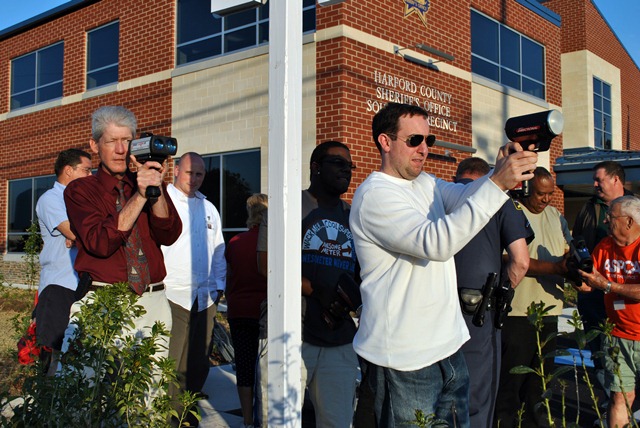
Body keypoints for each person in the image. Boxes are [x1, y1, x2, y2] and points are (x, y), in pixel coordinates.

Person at [349, 102, 538, 427]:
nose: (424, 149)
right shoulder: (375, 196)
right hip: (406, 358)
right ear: (385, 141)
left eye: (429, 141)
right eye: (414, 141)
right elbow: (435, 243)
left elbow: (467, 197)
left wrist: (499, 171)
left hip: (448, 346)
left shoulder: (423, 183)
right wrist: (498, 183)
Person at [63, 105, 182, 392]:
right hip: (103, 299)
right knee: (87, 393)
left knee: (148, 394)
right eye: (111, 141)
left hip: (153, 299)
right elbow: (100, 242)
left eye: (127, 140)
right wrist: (140, 196)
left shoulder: (146, 183)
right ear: (94, 145)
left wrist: (156, 187)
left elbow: (169, 233)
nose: (120, 149)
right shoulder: (81, 191)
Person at [258, 140, 361, 427]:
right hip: (289, 335)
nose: (347, 170)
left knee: (338, 422)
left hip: (339, 339)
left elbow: (364, 273)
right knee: (277, 421)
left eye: (350, 165)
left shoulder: (355, 216)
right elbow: (266, 264)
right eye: (338, 163)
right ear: (315, 167)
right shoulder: (286, 207)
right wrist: (314, 290)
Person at [453, 157, 533, 428]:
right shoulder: (500, 199)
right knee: (476, 398)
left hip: (435, 308)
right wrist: (503, 293)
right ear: (486, 175)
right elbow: (521, 261)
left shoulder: (438, 196)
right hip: (479, 311)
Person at [493, 167, 572, 428]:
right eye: (540, 194)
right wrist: (555, 268)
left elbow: (566, 253)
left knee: (540, 383)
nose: (546, 199)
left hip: (548, 312)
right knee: (511, 383)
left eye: (550, 194)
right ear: (526, 189)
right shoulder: (511, 211)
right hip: (517, 312)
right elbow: (507, 258)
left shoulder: (555, 216)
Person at [161, 152, 226, 422]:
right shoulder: (162, 201)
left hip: (205, 297)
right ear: (176, 170)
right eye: (189, 173)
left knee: (199, 362)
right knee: (171, 363)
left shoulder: (208, 208)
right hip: (173, 295)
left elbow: (218, 249)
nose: (194, 179)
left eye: (199, 174)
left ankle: (188, 414)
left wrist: (219, 286)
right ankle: (168, 418)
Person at [577, 195, 640, 428]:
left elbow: (605, 284)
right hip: (617, 336)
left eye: (611, 216)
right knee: (620, 396)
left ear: (630, 222)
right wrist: (577, 277)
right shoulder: (604, 246)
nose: (605, 220)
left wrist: (609, 286)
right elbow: (590, 283)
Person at [573, 161, 630, 399]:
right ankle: (609, 404)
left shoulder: (635, 207)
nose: (594, 184)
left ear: (616, 180)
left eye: (599, 179)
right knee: (599, 350)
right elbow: (577, 244)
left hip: (628, 295)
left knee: (630, 352)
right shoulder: (589, 209)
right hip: (594, 294)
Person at [35, 148, 92, 376]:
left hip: (81, 284)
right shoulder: (51, 199)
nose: (90, 176)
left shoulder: (82, 201)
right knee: (54, 355)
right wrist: (77, 235)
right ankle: (47, 407)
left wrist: (79, 236)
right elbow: (75, 232)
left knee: (76, 355)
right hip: (59, 285)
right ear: (68, 170)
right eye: (86, 170)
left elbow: (88, 233)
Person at [225, 193, 268, 428]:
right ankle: (264, 416)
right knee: (265, 367)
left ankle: (248, 421)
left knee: (244, 366)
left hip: (239, 310)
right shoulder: (272, 243)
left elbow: (230, 279)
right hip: (264, 311)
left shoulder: (235, 242)